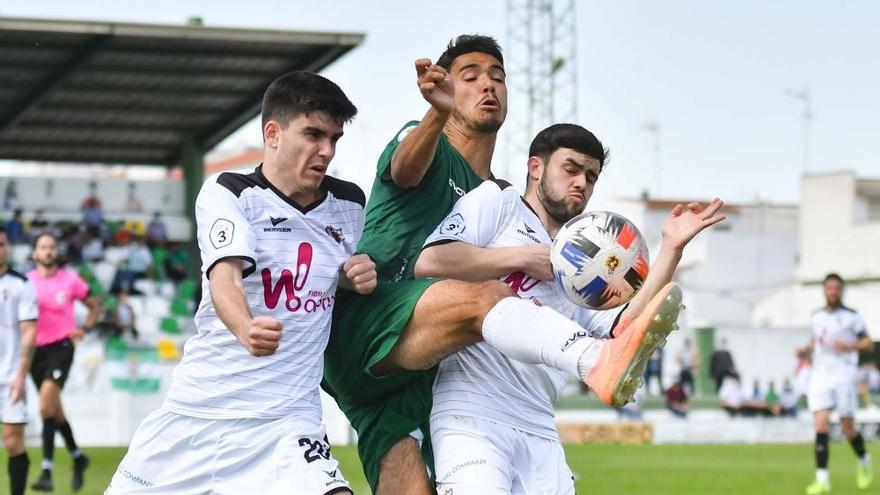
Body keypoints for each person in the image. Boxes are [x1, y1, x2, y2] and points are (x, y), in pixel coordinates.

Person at [322, 35, 715, 493]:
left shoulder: (515, 210)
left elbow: (619, 320)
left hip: (419, 369)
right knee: (488, 297)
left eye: (499, 78)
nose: (488, 86)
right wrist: (438, 111)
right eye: (471, 77)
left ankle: (597, 361)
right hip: (372, 325)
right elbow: (408, 181)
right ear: (536, 166)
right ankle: (594, 363)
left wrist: (668, 249)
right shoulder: (473, 182)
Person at [416, 123, 723, 492]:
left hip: (540, 421)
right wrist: (523, 257)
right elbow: (431, 261)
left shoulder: (583, 253)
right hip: (473, 410)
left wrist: (671, 247)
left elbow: (622, 327)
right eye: (571, 169)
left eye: (591, 176)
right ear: (536, 168)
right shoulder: (499, 201)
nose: (582, 183)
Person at [106, 71, 373, 494]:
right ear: (273, 133)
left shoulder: (350, 204)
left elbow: (340, 275)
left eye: (334, 139)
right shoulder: (228, 192)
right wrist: (245, 326)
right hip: (196, 417)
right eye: (314, 134)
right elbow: (224, 275)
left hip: (286, 422)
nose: (326, 151)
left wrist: (354, 276)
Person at [27, 233, 101, 492]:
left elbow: (94, 306)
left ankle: (46, 470)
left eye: (51, 247)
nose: (47, 251)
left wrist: (85, 329)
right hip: (34, 352)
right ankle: (79, 458)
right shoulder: (26, 282)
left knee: (45, 405)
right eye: (42, 247)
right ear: (34, 253)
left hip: (62, 347)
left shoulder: (70, 280)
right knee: (54, 411)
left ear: (56, 253)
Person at [801, 273, 874, 494]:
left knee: (846, 426)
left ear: (841, 291)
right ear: (824, 290)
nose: (833, 292)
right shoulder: (816, 316)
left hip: (844, 374)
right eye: (829, 288)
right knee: (820, 425)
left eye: (836, 288)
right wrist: (804, 350)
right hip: (821, 373)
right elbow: (816, 341)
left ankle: (864, 460)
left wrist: (850, 347)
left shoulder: (852, 316)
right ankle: (822, 480)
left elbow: (868, 343)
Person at [0, 228, 38, 495]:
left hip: (9, 375)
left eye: (1, 244)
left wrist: (20, 375)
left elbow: (29, 332)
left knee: (12, 441)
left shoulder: (21, 284)